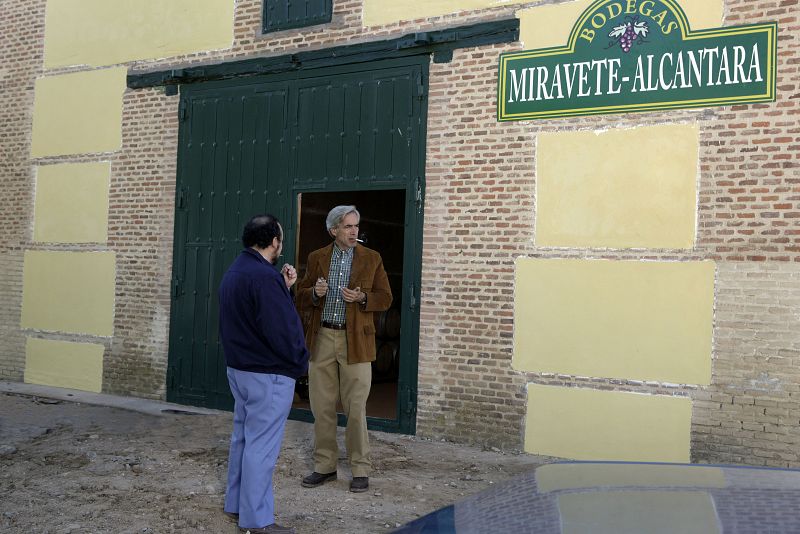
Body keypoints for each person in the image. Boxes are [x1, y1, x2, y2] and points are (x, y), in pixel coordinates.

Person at [218, 214, 309, 534]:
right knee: (262, 447)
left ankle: (235, 504)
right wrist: (301, 364)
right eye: (281, 238)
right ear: (274, 242)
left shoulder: (236, 271)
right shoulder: (264, 277)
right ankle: (257, 521)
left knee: (243, 439)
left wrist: (281, 287)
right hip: (267, 375)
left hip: (240, 371)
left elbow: (251, 316)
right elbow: (281, 330)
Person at [295, 205, 392, 493]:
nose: (354, 231)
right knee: (322, 407)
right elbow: (301, 296)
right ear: (333, 230)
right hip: (323, 337)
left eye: (355, 226)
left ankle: (360, 469)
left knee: (356, 408)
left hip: (357, 342)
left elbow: (385, 298)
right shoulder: (316, 258)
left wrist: (363, 298)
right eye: (347, 226)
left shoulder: (371, 259)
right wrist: (314, 293)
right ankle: (324, 467)